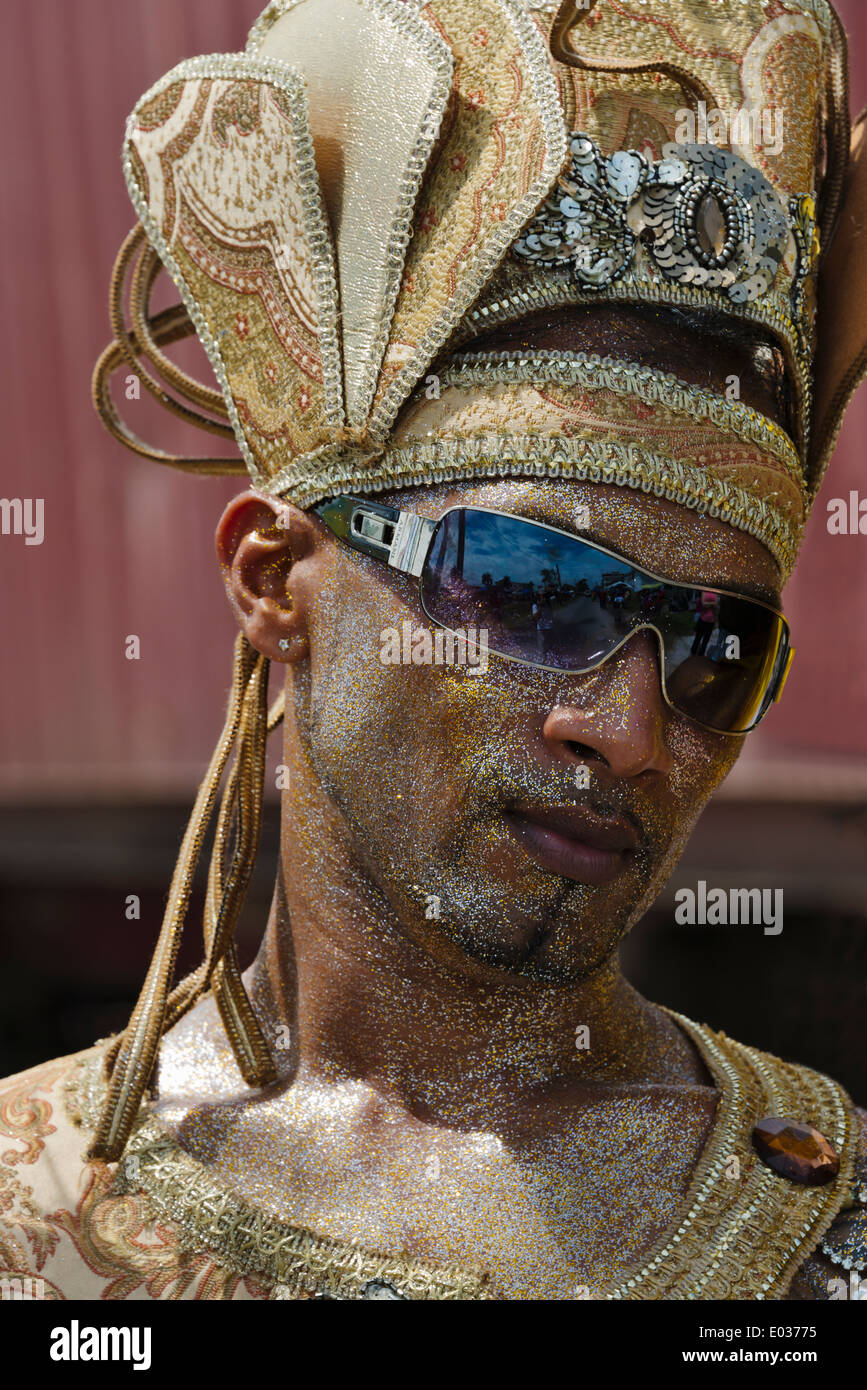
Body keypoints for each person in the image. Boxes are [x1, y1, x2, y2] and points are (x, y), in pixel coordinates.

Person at [2, 0, 866, 1301]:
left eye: (717, 645)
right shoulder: (33, 1223)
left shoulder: (829, 1239)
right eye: (538, 587)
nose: (629, 727)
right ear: (275, 581)